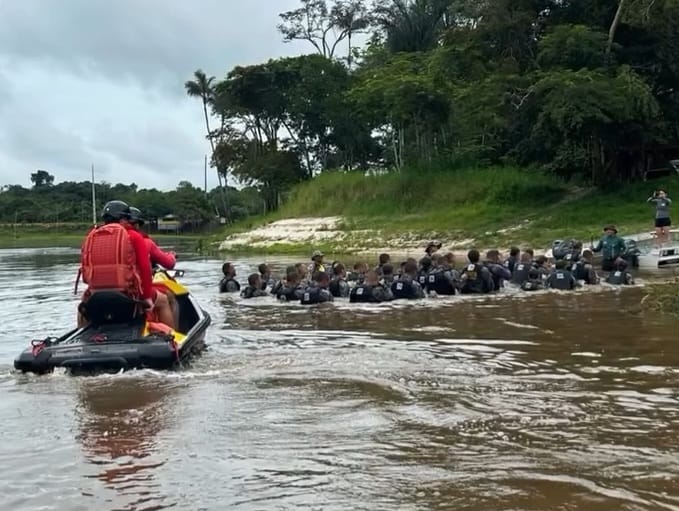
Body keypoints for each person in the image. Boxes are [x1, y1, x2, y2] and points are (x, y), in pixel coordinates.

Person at [76, 200, 154, 328]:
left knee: (82, 309)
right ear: (123, 219)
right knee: (164, 301)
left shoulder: (91, 236)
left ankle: (80, 333)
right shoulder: (134, 236)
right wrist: (147, 297)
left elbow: (85, 269)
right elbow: (146, 268)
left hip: (96, 297)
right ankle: (173, 340)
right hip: (127, 296)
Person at [128, 207, 176, 329]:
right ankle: (173, 336)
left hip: (104, 291)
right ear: (137, 225)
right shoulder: (144, 241)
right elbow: (168, 263)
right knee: (167, 298)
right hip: (133, 291)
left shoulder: (103, 241)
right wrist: (172, 255)